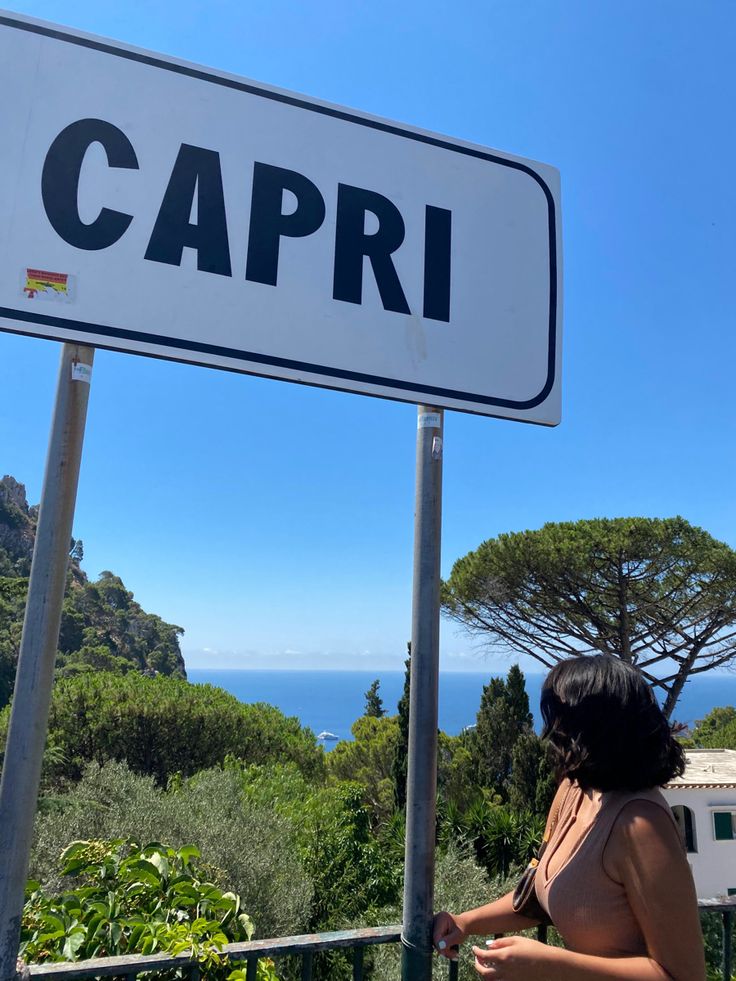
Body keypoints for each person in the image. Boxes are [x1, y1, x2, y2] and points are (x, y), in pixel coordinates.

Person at [433, 654, 706, 981]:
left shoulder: (641, 824)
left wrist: (549, 964)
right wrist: (466, 922)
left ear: (596, 727)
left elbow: (683, 975)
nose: (549, 731)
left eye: (560, 719)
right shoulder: (573, 791)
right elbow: (535, 897)